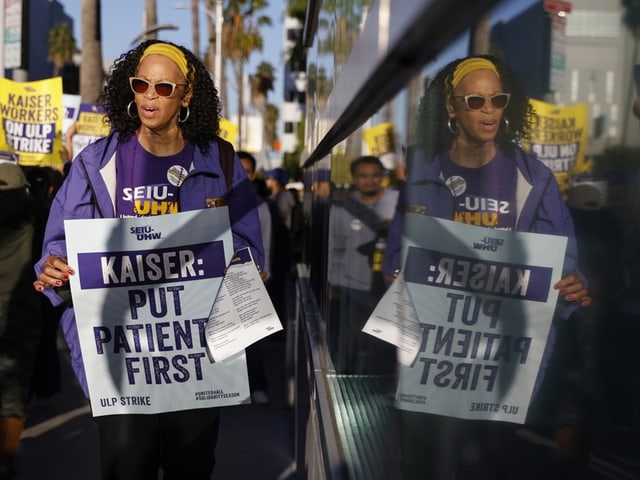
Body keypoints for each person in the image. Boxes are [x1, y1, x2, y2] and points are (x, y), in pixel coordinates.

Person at [33, 40, 264, 480]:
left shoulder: (223, 162)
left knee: (191, 469)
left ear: (186, 96)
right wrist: (53, 266)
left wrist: (246, 268)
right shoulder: (95, 164)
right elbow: (59, 244)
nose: (149, 96)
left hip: (197, 359)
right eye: (141, 84)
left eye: (163, 87)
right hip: (123, 360)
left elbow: (250, 248)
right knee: (126, 471)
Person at [382, 55, 591, 479]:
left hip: (499, 365)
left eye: (498, 99)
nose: (489, 110)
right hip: (432, 359)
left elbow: (562, 260)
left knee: (486, 468)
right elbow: (395, 258)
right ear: (452, 107)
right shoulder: (424, 171)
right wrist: (399, 275)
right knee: (422, 465)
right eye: (476, 101)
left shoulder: (532, 176)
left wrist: (572, 285)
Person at [328, 156, 399, 375]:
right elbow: (335, 249)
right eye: (363, 176)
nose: (370, 181)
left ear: (383, 178)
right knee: (354, 342)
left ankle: (383, 388)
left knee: (387, 345)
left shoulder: (398, 203)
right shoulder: (341, 209)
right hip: (354, 288)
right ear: (354, 179)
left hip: (389, 289)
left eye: (375, 175)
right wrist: (334, 283)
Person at [0, 162, 42, 480]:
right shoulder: (34, 218)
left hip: (19, 311)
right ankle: (6, 460)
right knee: (12, 395)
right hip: (21, 314)